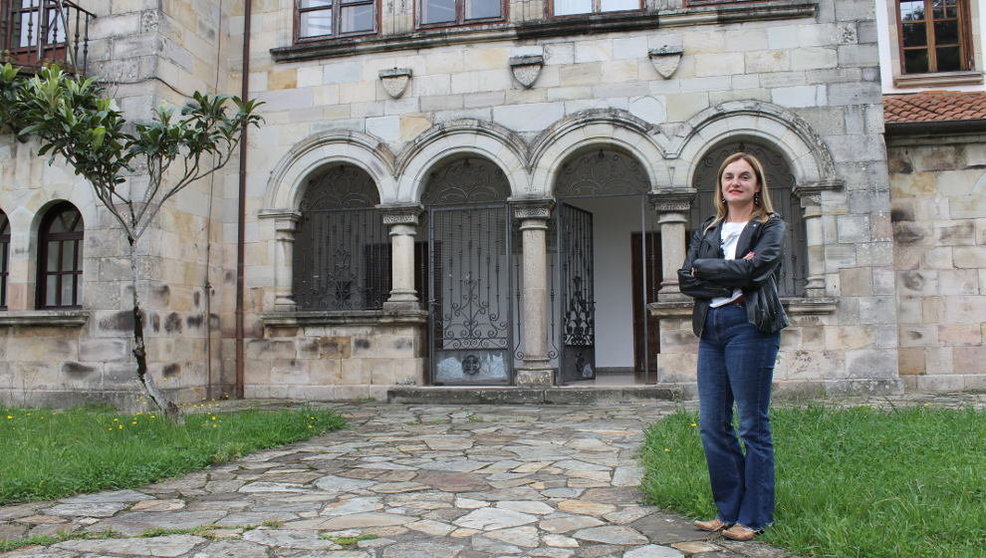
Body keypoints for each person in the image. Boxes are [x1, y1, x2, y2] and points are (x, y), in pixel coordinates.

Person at [677, 151, 789, 541]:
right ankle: (728, 511)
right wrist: (734, 274)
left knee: (752, 426)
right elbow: (685, 281)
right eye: (728, 176)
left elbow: (757, 270)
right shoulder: (708, 229)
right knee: (711, 425)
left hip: (750, 326)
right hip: (712, 328)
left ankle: (755, 516)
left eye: (745, 176)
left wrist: (708, 270)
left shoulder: (771, 227)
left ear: (758, 185)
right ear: (721, 186)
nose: (735, 182)